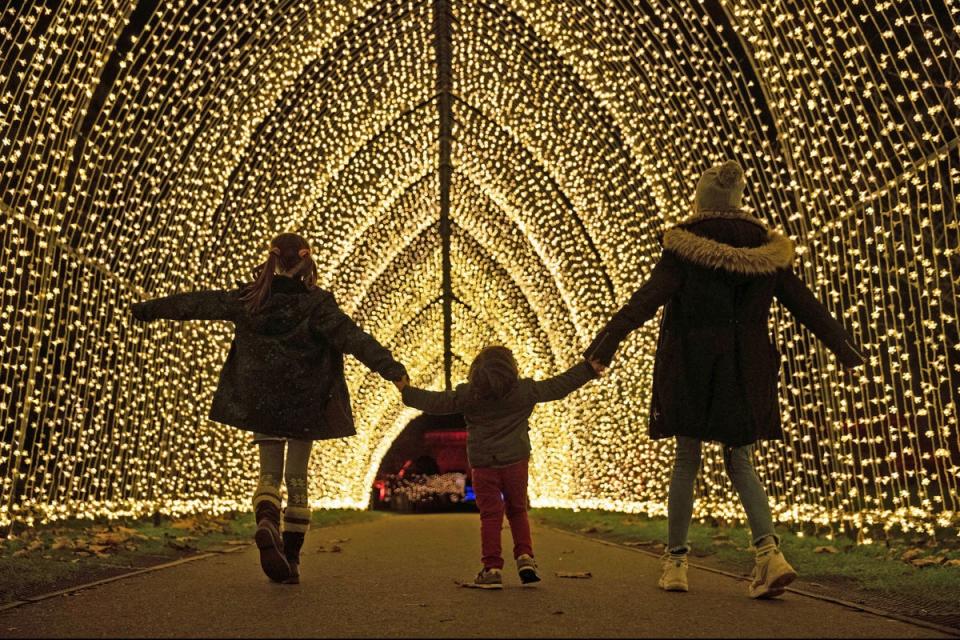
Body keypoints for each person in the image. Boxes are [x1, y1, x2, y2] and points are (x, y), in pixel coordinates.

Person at [585, 160, 866, 598]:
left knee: (686, 459)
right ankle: (768, 556)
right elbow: (806, 305)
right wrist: (845, 351)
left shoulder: (685, 247)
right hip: (746, 369)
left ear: (701, 201)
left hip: (693, 365)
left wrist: (604, 347)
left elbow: (646, 301)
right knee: (740, 459)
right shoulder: (767, 251)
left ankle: (675, 563)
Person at [132, 232, 407, 584]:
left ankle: (265, 518)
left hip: (262, 399)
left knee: (268, 475)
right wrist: (393, 371)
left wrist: (148, 310)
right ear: (307, 261)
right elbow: (355, 339)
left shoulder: (250, 299)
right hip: (306, 403)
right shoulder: (318, 304)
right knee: (297, 479)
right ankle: (291, 559)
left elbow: (197, 303)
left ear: (272, 260)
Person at [395, 346, 604, 589]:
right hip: (516, 460)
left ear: (476, 373)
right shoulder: (524, 391)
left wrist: (406, 391)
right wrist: (588, 369)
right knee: (517, 510)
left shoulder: (468, 395)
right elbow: (559, 386)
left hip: (484, 464)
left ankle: (492, 567)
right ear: (511, 368)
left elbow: (436, 402)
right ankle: (525, 557)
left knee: (491, 515)